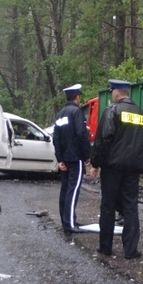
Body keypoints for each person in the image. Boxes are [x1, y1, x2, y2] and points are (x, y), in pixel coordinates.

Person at [90, 80, 143, 258]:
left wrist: (95, 163)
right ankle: (131, 250)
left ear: (116, 92)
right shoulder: (142, 114)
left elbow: (103, 140)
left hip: (113, 167)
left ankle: (105, 247)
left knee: (108, 206)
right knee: (130, 207)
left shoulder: (112, 111)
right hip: (133, 168)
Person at [52, 83, 91, 233]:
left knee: (65, 189)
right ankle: (70, 224)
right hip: (75, 158)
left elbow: (56, 137)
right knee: (73, 190)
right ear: (77, 97)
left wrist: (59, 158)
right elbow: (82, 135)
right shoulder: (77, 112)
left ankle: (66, 220)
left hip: (65, 158)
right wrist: (86, 156)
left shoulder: (60, 113)